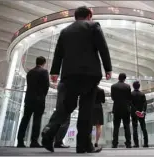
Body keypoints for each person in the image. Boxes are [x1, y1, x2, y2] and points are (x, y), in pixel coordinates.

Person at [41, 6, 112, 154]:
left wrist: (54, 71)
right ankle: (83, 146)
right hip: (89, 75)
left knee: (67, 106)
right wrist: (108, 68)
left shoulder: (65, 31)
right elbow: (102, 48)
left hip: (69, 74)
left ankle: (49, 130)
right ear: (89, 15)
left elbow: (58, 53)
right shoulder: (94, 26)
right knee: (86, 109)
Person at [17, 56, 50, 148]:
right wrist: (42, 96)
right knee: (37, 120)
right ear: (44, 63)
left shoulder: (30, 72)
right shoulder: (44, 72)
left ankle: (20, 141)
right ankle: (34, 141)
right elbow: (46, 86)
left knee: (25, 119)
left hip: (28, 99)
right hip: (39, 99)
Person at [111, 73, 132, 148]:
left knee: (116, 126)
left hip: (116, 108)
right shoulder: (128, 86)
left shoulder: (113, 86)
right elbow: (130, 98)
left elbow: (112, 98)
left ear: (118, 78)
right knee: (127, 126)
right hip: (126, 108)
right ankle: (128, 143)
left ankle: (115, 143)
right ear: (124, 78)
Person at [130, 81, 148, 148]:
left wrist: (136, 110)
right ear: (139, 86)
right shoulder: (142, 94)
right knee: (144, 128)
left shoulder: (131, 94)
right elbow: (145, 103)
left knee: (135, 128)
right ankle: (146, 143)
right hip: (141, 113)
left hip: (134, 113)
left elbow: (131, 104)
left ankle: (136, 144)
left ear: (133, 86)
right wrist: (143, 111)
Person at [54, 82, 71, 148]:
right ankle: (58, 141)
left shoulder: (61, 83)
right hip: (65, 106)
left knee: (59, 122)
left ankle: (58, 141)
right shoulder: (68, 84)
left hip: (60, 106)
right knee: (65, 122)